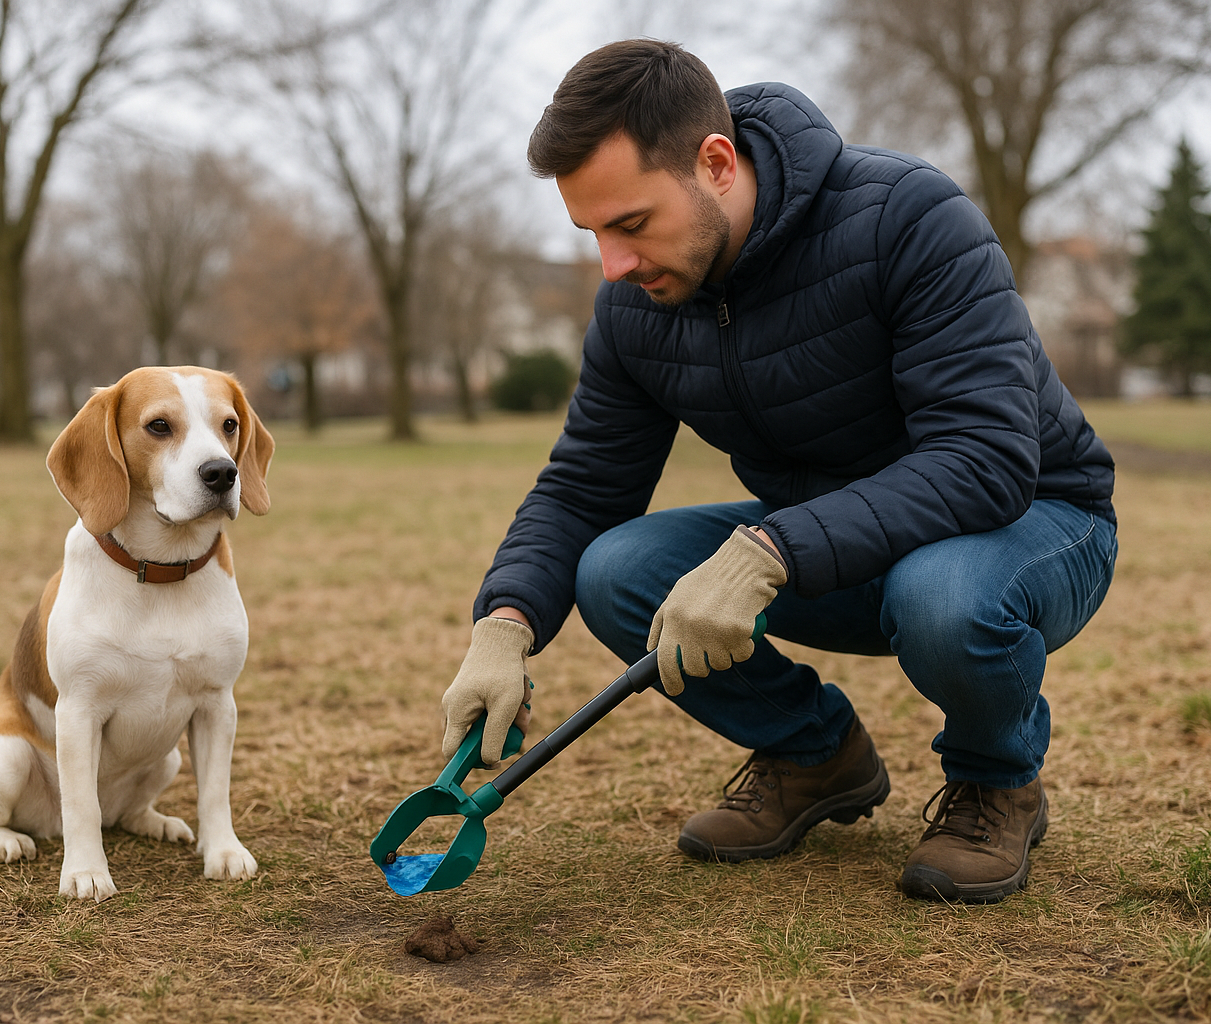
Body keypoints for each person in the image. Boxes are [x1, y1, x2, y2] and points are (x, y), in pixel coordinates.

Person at [439, 39, 1117, 903]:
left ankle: (996, 780)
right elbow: (584, 484)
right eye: (592, 232)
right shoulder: (635, 305)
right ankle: (813, 757)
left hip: (1031, 523)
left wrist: (768, 551)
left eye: (632, 223)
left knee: (942, 597)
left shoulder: (911, 218)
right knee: (614, 569)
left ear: (715, 163)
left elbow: (984, 460)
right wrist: (503, 625)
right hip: (826, 541)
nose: (613, 264)